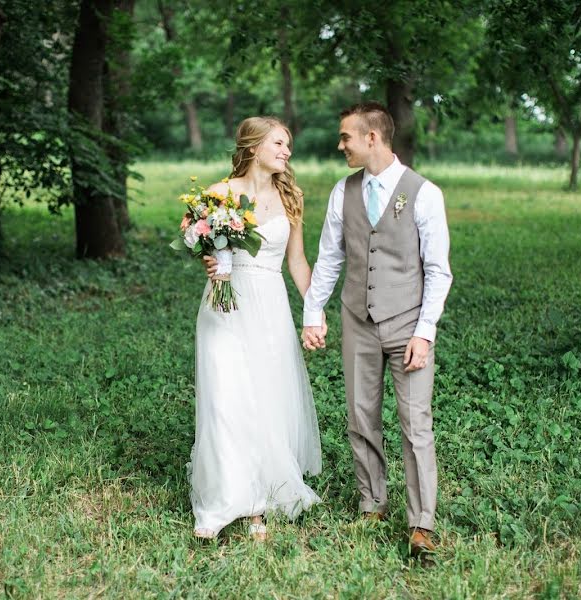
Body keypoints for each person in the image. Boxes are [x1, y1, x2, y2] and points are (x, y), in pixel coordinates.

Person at [301, 102, 453, 556]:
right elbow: (330, 257)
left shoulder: (423, 193)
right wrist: (313, 313)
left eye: (346, 136)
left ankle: (422, 523)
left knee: (415, 424)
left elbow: (438, 270)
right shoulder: (341, 192)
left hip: (407, 325)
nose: (340, 144)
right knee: (360, 417)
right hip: (357, 321)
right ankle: (372, 504)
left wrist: (424, 333)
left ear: (372, 138)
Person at [192, 116, 324, 541]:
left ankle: (260, 503)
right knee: (225, 398)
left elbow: (298, 262)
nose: (287, 152)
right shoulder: (217, 195)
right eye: (280, 144)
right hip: (224, 307)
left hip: (269, 305)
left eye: (288, 145)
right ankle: (227, 499)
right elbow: (195, 237)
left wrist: (315, 310)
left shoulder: (291, 199)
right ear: (253, 148)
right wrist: (208, 258)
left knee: (266, 399)